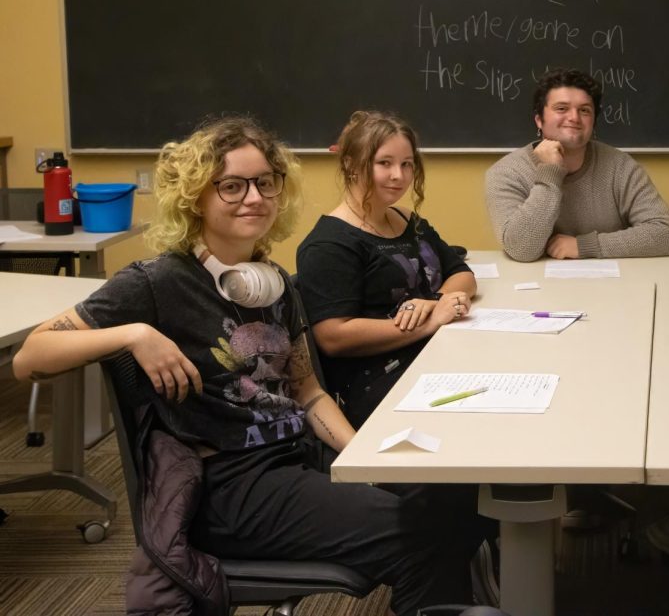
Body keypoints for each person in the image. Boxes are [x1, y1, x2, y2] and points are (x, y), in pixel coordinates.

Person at [11, 117, 472, 615]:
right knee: (424, 538)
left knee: (449, 500)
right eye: (231, 185)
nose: (253, 197)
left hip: (292, 463)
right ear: (197, 196)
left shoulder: (272, 281)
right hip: (228, 489)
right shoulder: (159, 281)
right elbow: (30, 357)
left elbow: (308, 392)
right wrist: (133, 334)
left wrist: (363, 460)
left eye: (264, 183)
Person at [297, 110, 477, 429]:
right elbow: (333, 336)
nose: (399, 175)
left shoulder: (408, 220)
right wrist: (428, 321)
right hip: (377, 384)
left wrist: (435, 300)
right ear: (352, 164)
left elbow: (462, 274)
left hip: (433, 354)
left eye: (407, 164)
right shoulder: (328, 244)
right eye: (385, 163)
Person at [484, 67, 669, 262]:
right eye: (561, 108)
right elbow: (521, 249)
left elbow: (666, 235)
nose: (574, 118)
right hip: (537, 289)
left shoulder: (620, 166)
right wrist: (550, 173)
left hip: (614, 286)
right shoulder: (506, 173)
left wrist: (584, 246)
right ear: (539, 120)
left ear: (593, 121)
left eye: (584, 110)